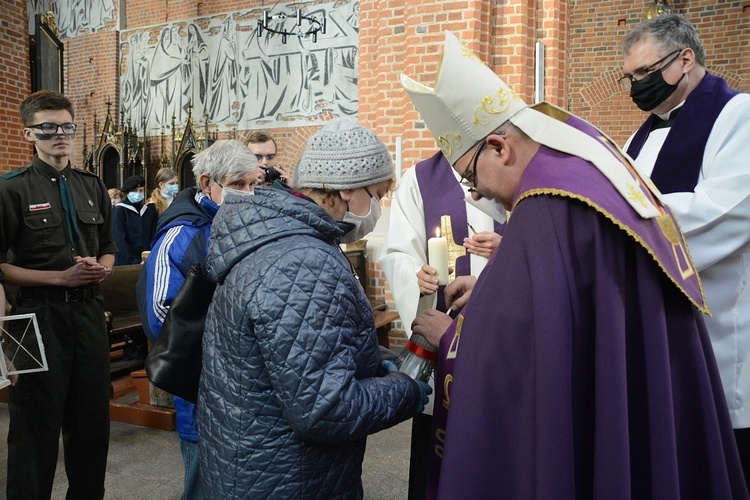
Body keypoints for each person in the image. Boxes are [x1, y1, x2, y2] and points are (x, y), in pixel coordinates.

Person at [402, 31, 747, 498]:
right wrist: (496, 282)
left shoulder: (547, 200)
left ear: (501, 148)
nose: (476, 194)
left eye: (469, 177)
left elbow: (519, 351)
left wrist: (451, 338)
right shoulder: (579, 161)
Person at [198, 117, 430, 498]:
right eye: (377, 194)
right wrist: (404, 390)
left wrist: (375, 359)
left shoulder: (287, 237)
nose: (377, 206)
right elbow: (326, 408)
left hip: (258, 464)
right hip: (286, 477)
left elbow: (306, 351)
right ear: (344, 190)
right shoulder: (302, 260)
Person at [620, 14, 750, 485]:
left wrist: (621, 220)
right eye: (630, 78)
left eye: (644, 73)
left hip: (722, 334)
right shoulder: (642, 135)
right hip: (657, 322)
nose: (637, 86)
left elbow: (728, 208)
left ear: (685, 59)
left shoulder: (739, 115)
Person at [0, 90, 116, 499]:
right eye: (48, 128)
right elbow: (0, 266)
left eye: (66, 126)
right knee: (34, 432)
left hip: (88, 317)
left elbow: (108, 245)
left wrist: (101, 267)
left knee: (90, 427)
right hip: (34, 319)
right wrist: (58, 279)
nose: (59, 135)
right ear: (30, 133)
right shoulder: (11, 189)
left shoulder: (91, 185)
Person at [138, 140, 259, 500]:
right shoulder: (182, 234)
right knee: (203, 481)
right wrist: (224, 347)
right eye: (238, 185)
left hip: (246, 384)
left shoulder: (246, 224)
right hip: (204, 383)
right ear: (208, 184)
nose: (248, 194)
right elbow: (161, 312)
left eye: (254, 184)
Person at [379, 150, 502, 499]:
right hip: (445, 327)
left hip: (499, 337)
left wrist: (506, 250)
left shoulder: (512, 168)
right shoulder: (420, 179)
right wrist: (414, 276)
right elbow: (398, 252)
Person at [113, 174, 158, 265]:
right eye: (134, 191)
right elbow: (119, 240)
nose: (138, 194)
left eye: (140, 191)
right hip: (125, 262)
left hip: (146, 260)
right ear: (126, 193)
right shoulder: (120, 211)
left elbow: (153, 236)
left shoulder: (148, 211)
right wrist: (133, 260)